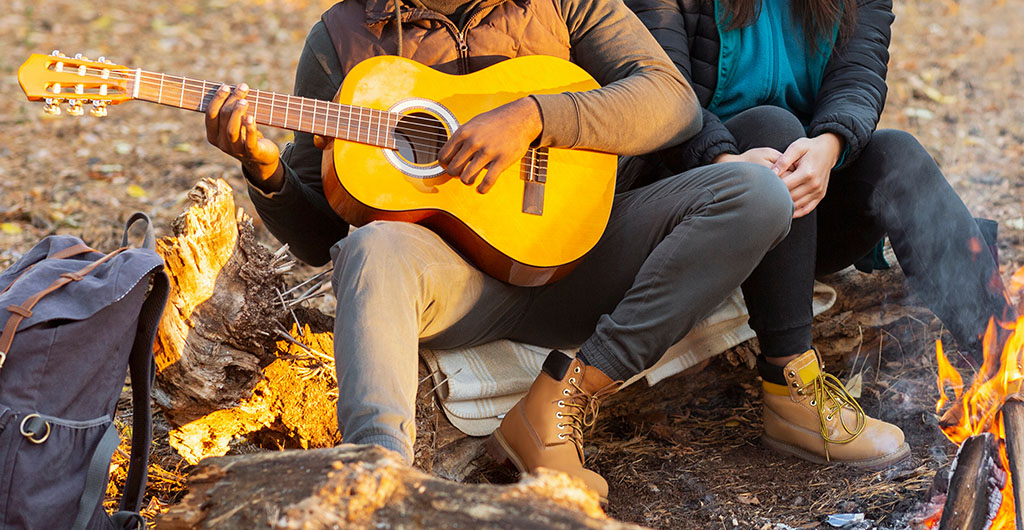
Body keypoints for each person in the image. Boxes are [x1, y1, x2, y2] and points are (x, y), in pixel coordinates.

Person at [204, 0, 795, 502]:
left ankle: (561, 402)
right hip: (457, 287)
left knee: (755, 193)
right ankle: (380, 486)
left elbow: (671, 100)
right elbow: (323, 240)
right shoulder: (340, 39)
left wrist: (534, 116)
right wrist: (266, 172)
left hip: (587, 251)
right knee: (373, 245)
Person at [621, 0, 1018, 468]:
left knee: (898, 157)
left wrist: (828, 147)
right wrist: (723, 164)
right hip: (688, 202)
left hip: (799, 211)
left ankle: (1003, 357)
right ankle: (791, 395)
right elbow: (656, 90)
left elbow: (859, 78)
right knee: (772, 124)